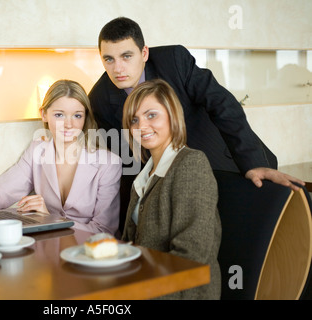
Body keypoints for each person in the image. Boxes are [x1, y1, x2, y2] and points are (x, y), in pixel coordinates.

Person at [88, 16, 305, 232]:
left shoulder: (173, 60)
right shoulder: (100, 99)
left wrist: (253, 162)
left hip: (226, 162)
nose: (118, 68)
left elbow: (222, 104)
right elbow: (128, 162)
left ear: (144, 53)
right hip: (172, 187)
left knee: (266, 236)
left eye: (126, 56)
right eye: (109, 59)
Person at [0, 79, 122, 235]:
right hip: (49, 249)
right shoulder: (38, 150)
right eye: (59, 115)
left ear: (85, 117)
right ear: (44, 114)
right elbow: (3, 191)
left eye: (77, 115)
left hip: (91, 253)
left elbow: (104, 230)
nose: (69, 124)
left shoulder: (108, 163)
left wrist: (51, 219)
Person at [121, 78, 221, 299]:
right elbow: (130, 245)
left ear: (172, 115)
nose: (141, 126)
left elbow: (191, 257)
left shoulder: (191, 164)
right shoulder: (143, 177)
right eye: (134, 120)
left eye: (151, 115)